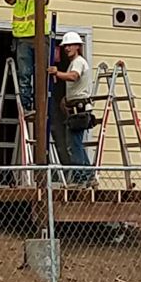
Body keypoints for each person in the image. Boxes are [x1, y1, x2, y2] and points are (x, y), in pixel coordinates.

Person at [51, 30, 95, 185]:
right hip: (77, 108)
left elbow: (73, 76)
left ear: (77, 46)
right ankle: (89, 176)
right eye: (65, 46)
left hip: (80, 110)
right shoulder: (74, 62)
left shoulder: (78, 62)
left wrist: (57, 73)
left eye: (70, 45)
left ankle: (81, 177)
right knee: (76, 144)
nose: (67, 48)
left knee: (74, 145)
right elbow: (76, 84)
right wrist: (66, 99)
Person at [3, 0, 39, 111]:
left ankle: (40, 104)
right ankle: (25, 105)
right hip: (22, 39)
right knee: (24, 74)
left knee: (40, 74)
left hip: (37, 37)